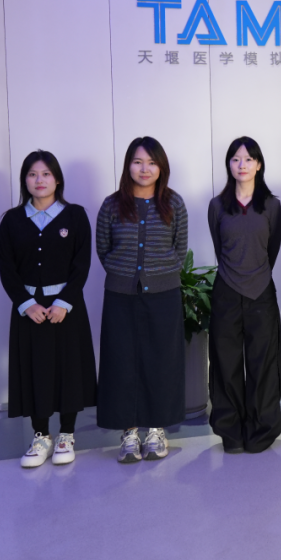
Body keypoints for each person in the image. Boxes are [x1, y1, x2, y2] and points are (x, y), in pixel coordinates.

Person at [0, 151, 97, 468]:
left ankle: (67, 434)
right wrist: (26, 305)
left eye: (46, 174)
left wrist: (64, 303)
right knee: (34, 370)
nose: (39, 180)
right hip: (30, 312)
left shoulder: (75, 216)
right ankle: (41, 436)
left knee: (69, 370)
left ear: (57, 179)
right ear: (24, 180)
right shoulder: (12, 220)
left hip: (66, 310)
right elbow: (7, 268)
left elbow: (81, 264)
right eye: (32, 174)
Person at [96, 136, 188, 464]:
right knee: (122, 363)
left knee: (161, 361)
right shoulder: (111, 204)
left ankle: (156, 430)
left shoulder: (174, 203)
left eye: (151, 163)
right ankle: (129, 432)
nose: (144, 169)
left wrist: (161, 273)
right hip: (120, 295)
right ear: (128, 166)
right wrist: (122, 273)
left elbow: (180, 249)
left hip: (164, 295)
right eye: (138, 162)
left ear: (161, 167)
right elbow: (103, 249)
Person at [207, 136, 281, 454]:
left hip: (261, 293)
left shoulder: (272, 206)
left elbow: (272, 250)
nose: (242, 165)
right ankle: (231, 432)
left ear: (259, 165)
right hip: (226, 292)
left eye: (249, 159)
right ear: (229, 165)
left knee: (262, 364)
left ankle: (260, 431)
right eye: (236, 159)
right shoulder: (216, 206)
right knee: (225, 363)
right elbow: (219, 249)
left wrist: (257, 276)